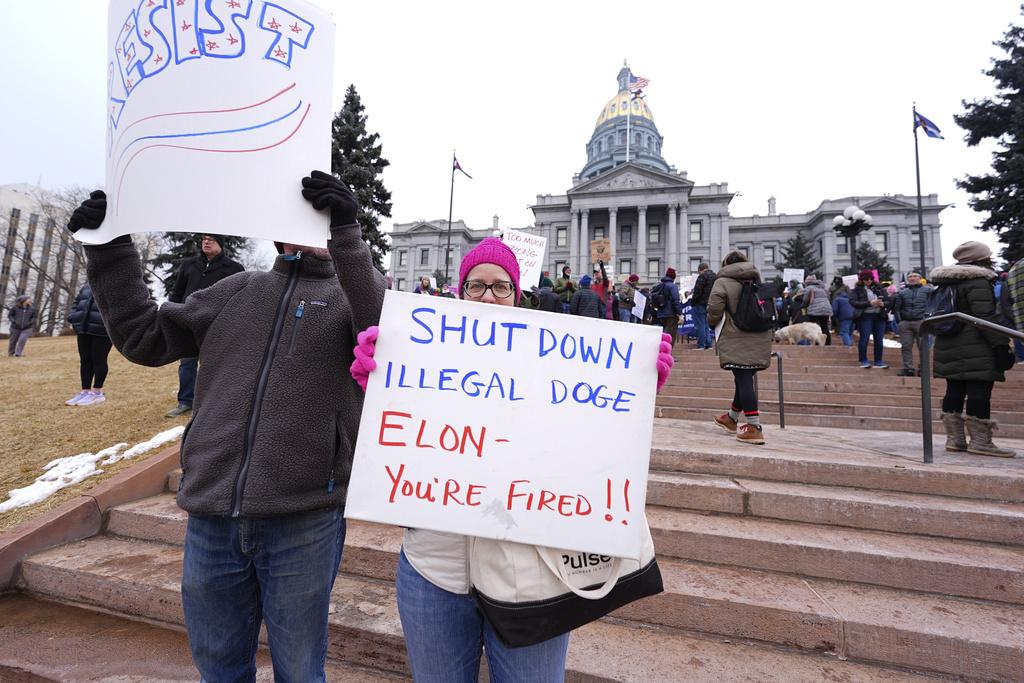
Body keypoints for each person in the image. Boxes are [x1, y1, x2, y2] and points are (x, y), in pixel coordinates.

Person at [66, 172, 386, 681]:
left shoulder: (361, 297)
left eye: (323, 219)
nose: (312, 228)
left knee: (301, 670)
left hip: (305, 516)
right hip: (213, 513)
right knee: (218, 667)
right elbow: (144, 337)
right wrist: (110, 251)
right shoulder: (235, 290)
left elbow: (383, 334)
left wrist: (347, 235)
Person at [347, 237, 674, 682]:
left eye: (500, 287)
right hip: (432, 569)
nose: (487, 296)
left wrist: (632, 384)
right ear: (459, 292)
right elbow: (402, 437)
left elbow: (588, 437)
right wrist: (380, 382)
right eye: (475, 286)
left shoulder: (551, 365)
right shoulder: (425, 359)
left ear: (517, 296)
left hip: (531, 576)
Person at [931, 242, 1016, 457]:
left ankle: (955, 439)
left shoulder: (946, 282)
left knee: (955, 389)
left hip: (948, 342)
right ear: (982, 259)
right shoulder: (977, 281)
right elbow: (985, 318)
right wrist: (1000, 345)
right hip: (976, 344)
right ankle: (980, 442)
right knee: (979, 390)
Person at [166, 234, 244, 417]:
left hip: (218, 324)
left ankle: (214, 402)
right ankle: (185, 401)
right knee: (187, 363)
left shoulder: (234, 268)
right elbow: (177, 293)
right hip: (189, 321)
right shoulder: (189, 265)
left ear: (221, 244)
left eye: (212, 239)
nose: (206, 242)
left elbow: (241, 298)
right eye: (204, 239)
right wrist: (173, 312)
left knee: (214, 365)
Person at [707, 251, 773, 445]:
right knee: (743, 375)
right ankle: (732, 418)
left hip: (737, 335)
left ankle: (754, 426)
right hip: (760, 333)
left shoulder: (722, 281)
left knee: (743, 379)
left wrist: (712, 323)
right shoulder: (756, 279)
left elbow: (714, 310)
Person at [66, 282, 112, 406]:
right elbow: (77, 301)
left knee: (99, 359)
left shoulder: (116, 282)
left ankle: (97, 393)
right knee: (85, 360)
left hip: (103, 329)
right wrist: (73, 316)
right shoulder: (88, 284)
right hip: (83, 327)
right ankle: (85, 392)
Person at [892, 271, 934, 376]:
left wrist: (928, 319)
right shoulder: (902, 292)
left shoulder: (929, 290)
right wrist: (899, 321)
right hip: (905, 323)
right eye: (910, 276)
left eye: (914, 276)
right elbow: (897, 308)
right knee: (906, 346)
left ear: (920, 278)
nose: (912, 278)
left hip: (922, 322)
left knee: (923, 347)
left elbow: (933, 305)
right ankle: (908, 369)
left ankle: (923, 368)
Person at [850, 269, 889, 369]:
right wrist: (869, 303)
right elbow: (853, 302)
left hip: (879, 316)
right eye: (866, 279)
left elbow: (889, 300)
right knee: (864, 338)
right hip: (865, 316)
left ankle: (878, 361)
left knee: (879, 340)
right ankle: (863, 360)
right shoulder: (856, 290)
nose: (868, 281)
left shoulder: (879, 288)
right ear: (861, 279)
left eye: (870, 278)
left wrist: (883, 304)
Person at [655, 267, 684, 346]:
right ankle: (668, 355)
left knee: (664, 334)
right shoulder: (672, 286)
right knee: (670, 335)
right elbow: (675, 301)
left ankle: (662, 353)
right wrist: (680, 313)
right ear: (673, 276)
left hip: (661, 313)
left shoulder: (660, 285)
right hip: (671, 314)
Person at [691, 262, 716, 349]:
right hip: (711, 303)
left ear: (700, 270)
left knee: (701, 324)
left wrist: (693, 301)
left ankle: (701, 344)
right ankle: (708, 344)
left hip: (700, 303)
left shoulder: (702, 276)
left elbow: (697, 291)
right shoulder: (715, 276)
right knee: (706, 324)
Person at [803, 275, 832, 345]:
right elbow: (828, 297)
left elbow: (805, 300)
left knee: (814, 327)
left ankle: (816, 343)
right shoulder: (823, 288)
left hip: (814, 309)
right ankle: (828, 343)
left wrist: (803, 306)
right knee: (824, 326)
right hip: (826, 308)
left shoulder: (808, 288)